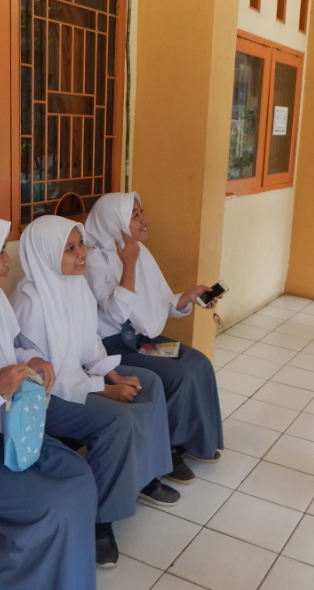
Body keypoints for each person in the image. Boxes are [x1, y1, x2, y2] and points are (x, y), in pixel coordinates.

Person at [10, 215, 176, 567]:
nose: (81, 253)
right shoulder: (30, 302)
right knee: (115, 421)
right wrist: (102, 390)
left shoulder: (75, 285)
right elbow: (46, 377)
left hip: (78, 379)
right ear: (46, 253)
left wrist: (112, 376)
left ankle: (145, 477)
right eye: (69, 248)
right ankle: (100, 521)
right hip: (47, 397)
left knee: (149, 383)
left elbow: (90, 345)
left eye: (81, 244)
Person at [0, 212, 98, 590]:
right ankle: (3, 578)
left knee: (78, 475)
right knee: (51, 502)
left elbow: (10, 348)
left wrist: (31, 358)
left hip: (7, 428)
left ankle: (54, 572)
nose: (9, 260)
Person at [84, 192, 225, 483]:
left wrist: (188, 297)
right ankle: (169, 452)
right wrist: (129, 264)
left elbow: (159, 302)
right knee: (177, 375)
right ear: (114, 223)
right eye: (134, 216)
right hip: (111, 348)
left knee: (198, 362)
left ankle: (195, 440)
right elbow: (116, 314)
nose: (144, 220)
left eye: (141, 212)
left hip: (138, 339)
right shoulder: (93, 260)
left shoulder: (137, 252)